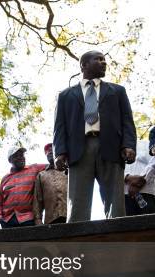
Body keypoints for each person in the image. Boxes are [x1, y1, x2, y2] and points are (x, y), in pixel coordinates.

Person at [53, 50, 137, 222]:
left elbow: (127, 121)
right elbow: (59, 126)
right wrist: (60, 152)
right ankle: (78, 244)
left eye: (104, 59)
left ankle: (117, 240)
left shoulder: (117, 91)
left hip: (112, 147)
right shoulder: (65, 95)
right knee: (77, 203)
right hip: (79, 150)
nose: (103, 62)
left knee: (116, 202)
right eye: (98, 59)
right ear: (84, 65)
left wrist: (128, 145)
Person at [0, 146, 46, 228]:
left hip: (28, 219)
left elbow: (52, 165)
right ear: (10, 160)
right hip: (7, 220)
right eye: (16, 156)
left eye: (22, 155)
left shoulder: (34, 168)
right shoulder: (5, 178)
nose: (20, 158)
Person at [123, 139, 155, 215]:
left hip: (147, 192)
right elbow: (110, 170)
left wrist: (140, 181)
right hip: (122, 196)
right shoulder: (112, 149)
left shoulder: (146, 144)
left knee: (150, 225)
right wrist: (127, 177)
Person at [34, 143, 68, 224]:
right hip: (51, 220)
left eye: (52, 150)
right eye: (48, 152)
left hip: (71, 217)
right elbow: (37, 199)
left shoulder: (68, 171)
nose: (50, 152)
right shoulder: (41, 175)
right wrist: (37, 219)